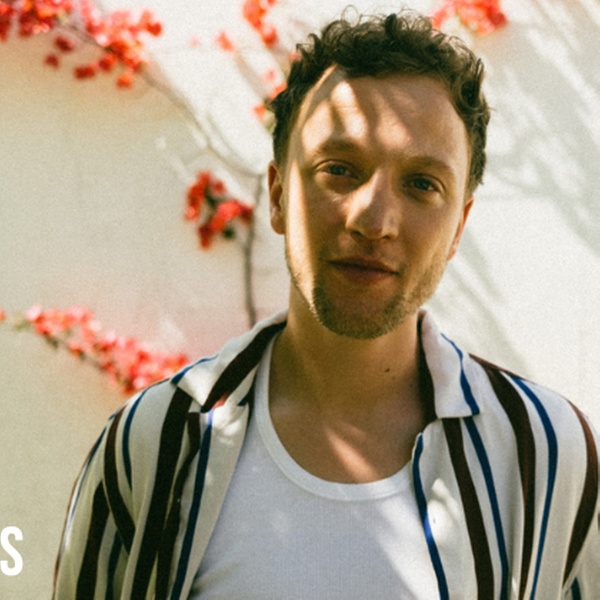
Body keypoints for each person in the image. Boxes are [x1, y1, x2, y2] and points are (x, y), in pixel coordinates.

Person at [53, 10, 599, 599]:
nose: (374, 219)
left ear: (458, 226)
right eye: (339, 170)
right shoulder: (150, 444)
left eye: (422, 183)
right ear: (278, 195)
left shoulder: (544, 456)